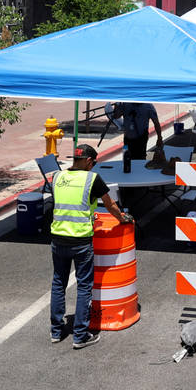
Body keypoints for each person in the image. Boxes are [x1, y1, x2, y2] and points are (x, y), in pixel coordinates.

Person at [49, 143, 132, 349]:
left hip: (58, 237)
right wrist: (122, 219)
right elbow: (111, 204)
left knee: (58, 283)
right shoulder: (91, 178)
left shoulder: (57, 177)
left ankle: (56, 332)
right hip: (80, 240)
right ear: (88, 161)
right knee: (84, 286)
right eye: (93, 163)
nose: (93, 166)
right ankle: (80, 335)